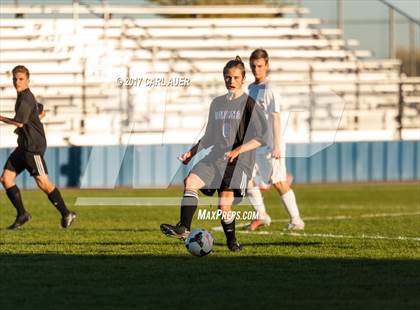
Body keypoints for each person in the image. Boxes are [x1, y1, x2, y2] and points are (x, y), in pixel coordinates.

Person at [160, 56, 267, 252]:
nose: (231, 81)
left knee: (223, 205)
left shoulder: (250, 105)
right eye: (227, 77)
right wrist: (191, 153)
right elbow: (209, 136)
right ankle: (184, 228)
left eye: (235, 77)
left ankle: (232, 242)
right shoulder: (217, 103)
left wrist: (238, 150)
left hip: (239, 162)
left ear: (243, 79)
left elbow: (261, 138)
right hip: (216, 157)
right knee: (190, 181)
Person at [0, 65, 76, 229]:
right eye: (15, 79)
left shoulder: (25, 98)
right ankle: (22, 214)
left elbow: (19, 122)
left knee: (43, 183)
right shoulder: (24, 97)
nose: (17, 82)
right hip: (23, 147)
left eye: (21, 79)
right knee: (6, 179)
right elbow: (40, 109)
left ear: (28, 81)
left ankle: (66, 213)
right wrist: (37, 116)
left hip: (33, 147)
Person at [245, 49, 305, 231]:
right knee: (245, 179)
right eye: (254, 66)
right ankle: (261, 215)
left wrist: (277, 146)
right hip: (254, 144)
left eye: (260, 66)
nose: (257, 69)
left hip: (271, 145)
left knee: (279, 183)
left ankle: (296, 220)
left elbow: (275, 117)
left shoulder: (270, 89)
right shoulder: (251, 88)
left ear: (267, 66)